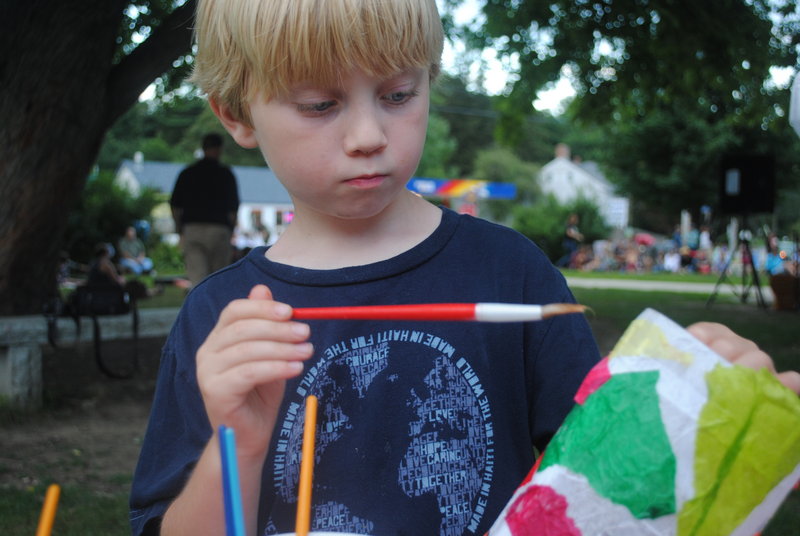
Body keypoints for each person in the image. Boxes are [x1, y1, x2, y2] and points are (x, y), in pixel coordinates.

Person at [129, 2, 800, 535]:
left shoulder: (512, 270)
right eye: (320, 105)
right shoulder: (219, 317)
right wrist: (237, 445)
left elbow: (603, 491)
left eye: (397, 94)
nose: (368, 135)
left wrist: (695, 408)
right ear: (237, 114)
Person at [170, 132, 240, 287]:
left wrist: (179, 230)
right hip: (219, 228)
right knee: (219, 279)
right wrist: (230, 230)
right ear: (220, 149)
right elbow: (233, 209)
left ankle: (200, 309)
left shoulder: (187, 173)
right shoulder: (226, 174)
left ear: (203, 147)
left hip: (193, 229)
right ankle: (218, 311)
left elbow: (175, 205)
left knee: (197, 280)